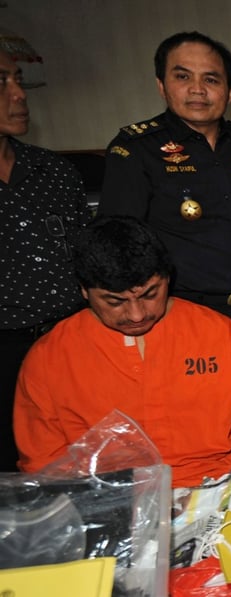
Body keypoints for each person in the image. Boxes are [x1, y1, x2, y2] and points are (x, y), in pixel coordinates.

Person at [13, 217, 231, 501]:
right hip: (107, 506)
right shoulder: (49, 357)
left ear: (168, 277)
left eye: (150, 294)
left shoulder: (216, 331)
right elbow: (43, 468)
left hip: (217, 494)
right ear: (84, 290)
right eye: (115, 302)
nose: (137, 314)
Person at [98, 31, 231, 400]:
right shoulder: (137, 150)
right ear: (162, 86)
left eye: (211, 79)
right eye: (183, 77)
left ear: (230, 92)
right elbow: (120, 244)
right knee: (202, 434)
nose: (198, 89)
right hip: (184, 318)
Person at [0, 51, 89, 472]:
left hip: (71, 346)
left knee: (88, 470)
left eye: (17, 79)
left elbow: (89, 257)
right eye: (1, 82)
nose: (19, 95)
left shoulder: (54, 171)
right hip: (5, 353)